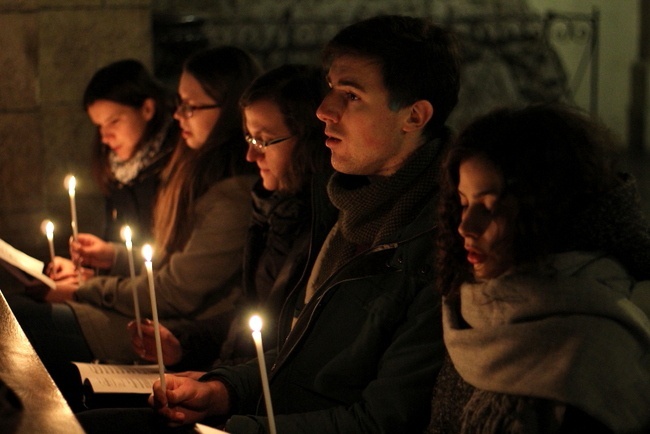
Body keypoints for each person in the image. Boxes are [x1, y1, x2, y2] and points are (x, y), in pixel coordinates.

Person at [115, 14, 459, 434]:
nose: (324, 110)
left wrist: (240, 424)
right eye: (331, 89)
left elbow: (384, 420)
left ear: (414, 116)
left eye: (350, 96)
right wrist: (222, 389)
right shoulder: (347, 204)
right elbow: (302, 352)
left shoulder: (440, 242)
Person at [7, 46, 261, 407]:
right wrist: (106, 264)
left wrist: (87, 288)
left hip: (168, 325)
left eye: (191, 106)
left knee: (20, 325)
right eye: (179, 102)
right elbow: (160, 257)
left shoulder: (233, 188)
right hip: (143, 308)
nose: (179, 115)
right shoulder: (186, 169)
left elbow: (176, 289)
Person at [428, 103, 650, 434]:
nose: (465, 226)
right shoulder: (472, 315)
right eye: (462, 203)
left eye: (489, 207)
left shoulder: (594, 355)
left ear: (545, 212)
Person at [128, 64, 336, 371]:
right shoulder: (271, 210)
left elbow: (290, 351)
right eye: (250, 140)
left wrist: (219, 385)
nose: (251, 156)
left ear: (308, 138)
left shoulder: (324, 227)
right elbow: (247, 316)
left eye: (264, 140)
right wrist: (180, 343)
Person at [83, 59, 180, 244]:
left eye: (114, 122)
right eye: (99, 126)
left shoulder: (178, 164)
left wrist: (111, 260)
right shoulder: (116, 170)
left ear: (147, 109)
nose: (105, 137)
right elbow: (115, 241)